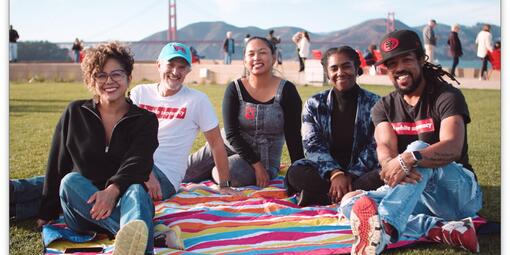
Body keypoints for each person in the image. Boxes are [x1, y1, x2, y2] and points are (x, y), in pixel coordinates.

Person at [10, 42, 240, 223]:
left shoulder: (197, 100)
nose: (175, 71)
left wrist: (225, 184)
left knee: (90, 181)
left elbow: (216, 144)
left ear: (189, 69)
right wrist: (143, 171)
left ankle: (14, 193)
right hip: (128, 162)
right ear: (158, 65)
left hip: (163, 176)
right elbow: (124, 132)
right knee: (80, 178)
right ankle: (12, 194)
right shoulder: (140, 92)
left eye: (182, 66)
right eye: (171, 64)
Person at [340, 30, 482, 254]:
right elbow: (385, 150)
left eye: (406, 60)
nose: (399, 68)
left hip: (458, 194)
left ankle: (385, 230)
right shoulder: (384, 106)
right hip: (415, 193)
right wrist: (392, 164)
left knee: (418, 149)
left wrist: (410, 158)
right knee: (350, 202)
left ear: (421, 59)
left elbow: (453, 146)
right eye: (392, 64)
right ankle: (439, 229)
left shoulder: (446, 96)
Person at [36, 42, 159, 254]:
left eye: (116, 74)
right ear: (91, 81)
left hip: (127, 203)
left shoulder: (145, 120)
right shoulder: (75, 112)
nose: (109, 81)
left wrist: (112, 190)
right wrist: (47, 211)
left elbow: (139, 161)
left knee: (137, 189)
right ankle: (133, 233)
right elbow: (58, 161)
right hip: (84, 208)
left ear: (129, 78)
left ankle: (133, 241)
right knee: (69, 181)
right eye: (101, 75)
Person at [185, 36, 304, 187]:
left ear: (274, 57)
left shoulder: (287, 91)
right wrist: (257, 166)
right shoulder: (234, 88)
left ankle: (215, 172)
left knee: (231, 173)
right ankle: (212, 171)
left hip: (265, 159)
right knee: (182, 171)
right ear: (245, 60)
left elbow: (293, 135)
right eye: (251, 54)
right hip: (226, 146)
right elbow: (231, 133)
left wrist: (300, 171)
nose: (256, 58)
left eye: (262, 53)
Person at [285, 46, 384, 207]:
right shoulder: (314, 104)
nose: (340, 72)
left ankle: (320, 196)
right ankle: (350, 196)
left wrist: (350, 175)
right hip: (325, 172)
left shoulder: (376, 103)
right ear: (327, 73)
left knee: (383, 175)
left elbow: (377, 145)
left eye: (346, 66)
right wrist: (335, 173)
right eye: (334, 68)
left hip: (361, 173)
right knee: (296, 172)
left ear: (357, 68)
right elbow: (312, 145)